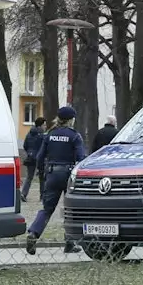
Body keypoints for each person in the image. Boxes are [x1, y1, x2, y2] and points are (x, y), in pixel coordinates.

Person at [25, 106, 86, 255]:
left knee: (47, 209)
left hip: (52, 174)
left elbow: (40, 157)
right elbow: (81, 158)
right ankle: (70, 242)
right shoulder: (74, 136)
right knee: (70, 210)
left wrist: (43, 173)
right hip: (68, 175)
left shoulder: (49, 135)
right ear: (71, 120)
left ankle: (34, 233)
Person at [20, 117, 47, 202]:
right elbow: (45, 147)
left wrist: (29, 152)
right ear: (40, 125)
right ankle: (42, 196)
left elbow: (25, 145)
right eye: (44, 125)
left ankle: (24, 194)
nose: (45, 127)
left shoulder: (29, 133)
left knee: (29, 177)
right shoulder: (43, 136)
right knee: (42, 178)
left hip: (30, 158)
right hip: (40, 158)